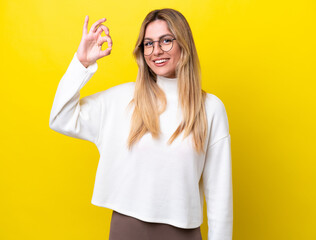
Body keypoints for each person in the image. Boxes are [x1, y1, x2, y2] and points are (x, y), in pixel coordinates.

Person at [49, 8, 233, 240]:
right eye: (148, 43)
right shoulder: (122, 99)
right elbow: (60, 118)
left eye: (166, 40)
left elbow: (219, 194)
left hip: (183, 233)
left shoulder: (210, 108)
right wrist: (81, 63)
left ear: (183, 45)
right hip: (127, 230)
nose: (156, 51)